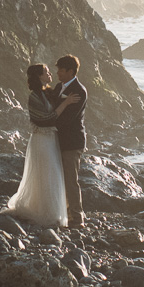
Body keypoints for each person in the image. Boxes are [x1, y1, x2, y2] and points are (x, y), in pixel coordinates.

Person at [5, 63, 77, 227]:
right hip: (42, 140)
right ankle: (47, 214)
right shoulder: (34, 96)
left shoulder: (47, 93)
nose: (50, 73)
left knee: (51, 174)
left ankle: (51, 212)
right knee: (46, 174)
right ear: (39, 76)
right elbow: (46, 119)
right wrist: (66, 104)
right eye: (46, 72)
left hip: (50, 139)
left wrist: (65, 100)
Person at [51, 54, 88, 228]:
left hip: (72, 141)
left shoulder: (79, 90)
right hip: (57, 139)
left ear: (70, 71)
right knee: (59, 178)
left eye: (61, 70)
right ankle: (64, 213)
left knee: (71, 179)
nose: (57, 72)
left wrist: (49, 120)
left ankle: (77, 217)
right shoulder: (59, 86)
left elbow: (67, 118)